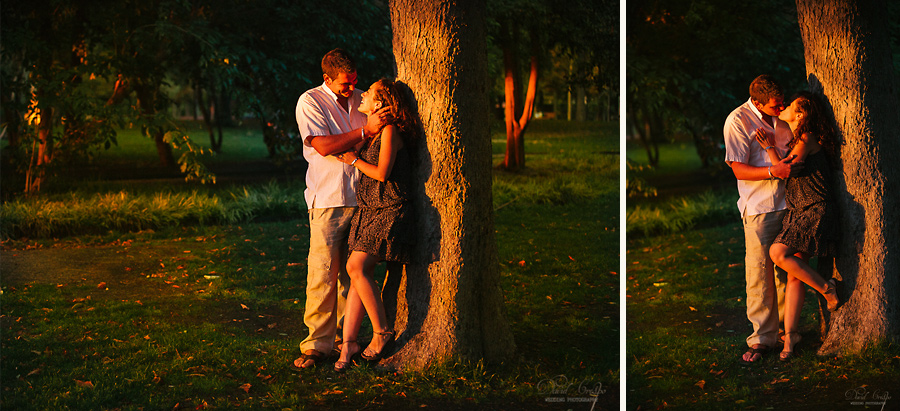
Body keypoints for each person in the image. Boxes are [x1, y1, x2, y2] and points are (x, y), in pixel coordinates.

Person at [292, 48, 389, 369]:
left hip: (364, 198)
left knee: (355, 274)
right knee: (323, 272)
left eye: (355, 82)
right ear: (327, 78)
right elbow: (322, 145)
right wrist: (365, 131)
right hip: (329, 198)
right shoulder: (310, 102)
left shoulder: (364, 100)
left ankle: (346, 339)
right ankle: (316, 344)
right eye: (345, 84)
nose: (351, 88)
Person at [332, 78, 416, 372]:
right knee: (359, 273)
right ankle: (349, 346)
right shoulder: (376, 131)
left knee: (356, 267)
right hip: (369, 211)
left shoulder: (391, 131)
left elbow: (382, 173)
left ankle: (382, 333)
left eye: (369, 92)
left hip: (390, 210)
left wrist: (353, 160)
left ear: (380, 103)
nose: (363, 94)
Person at [754, 91, 841, 361]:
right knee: (794, 275)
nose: (785, 107)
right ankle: (790, 340)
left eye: (791, 105)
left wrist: (769, 148)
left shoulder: (806, 137)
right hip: (798, 211)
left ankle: (827, 288)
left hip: (814, 209)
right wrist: (774, 152)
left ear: (801, 114)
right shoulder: (797, 140)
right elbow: (782, 172)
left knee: (777, 253)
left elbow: (786, 168)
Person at [723, 74, 803, 364]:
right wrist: (773, 172)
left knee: (786, 270)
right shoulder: (738, 121)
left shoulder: (783, 117)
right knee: (760, 274)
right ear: (756, 101)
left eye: (782, 102)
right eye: (774, 104)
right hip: (759, 207)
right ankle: (761, 338)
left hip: (791, 203)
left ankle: (787, 332)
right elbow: (738, 169)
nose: (779, 107)